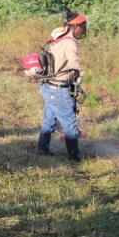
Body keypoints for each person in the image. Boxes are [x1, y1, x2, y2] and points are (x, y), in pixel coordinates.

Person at [37, 12, 88, 161]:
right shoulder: (70, 43)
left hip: (47, 86)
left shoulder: (58, 36)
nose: (83, 31)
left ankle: (42, 150)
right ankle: (75, 157)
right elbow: (74, 63)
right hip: (58, 89)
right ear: (75, 26)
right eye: (82, 27)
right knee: (70, 123)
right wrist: (80, 76)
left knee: (49, 120)